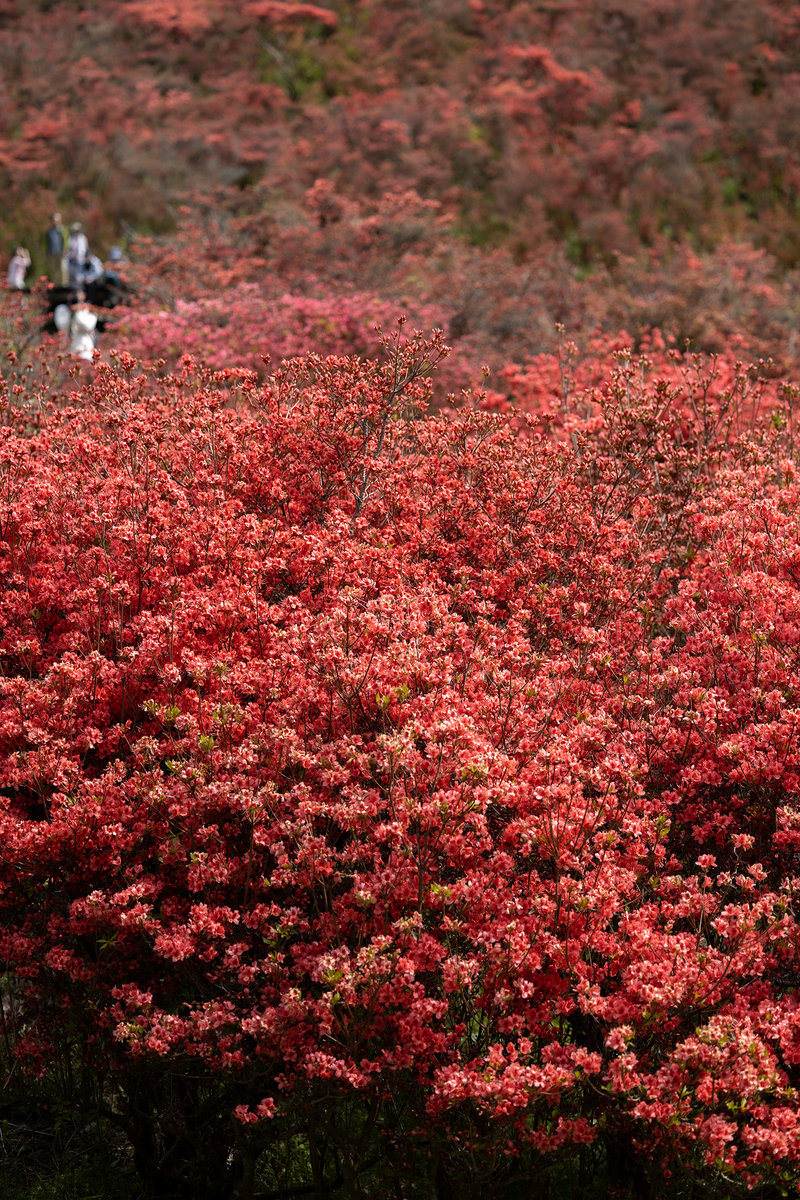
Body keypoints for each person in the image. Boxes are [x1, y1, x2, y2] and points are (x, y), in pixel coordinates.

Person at [68, 292, 97, 361]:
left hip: (86, 343)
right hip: (74, 343)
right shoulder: (70, 312)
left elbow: (88, 326)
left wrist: (77, 312)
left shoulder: (89, 312)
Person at [45, 213, 68, 285]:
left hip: (61, 253)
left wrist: (65, 249)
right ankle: (54, 285)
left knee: (63, 270)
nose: (55, 221)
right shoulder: (49, 231)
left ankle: (64, 285)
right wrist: (46, 252)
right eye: (53, 219)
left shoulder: (63, 229)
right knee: (53, 270)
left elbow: (66, 240)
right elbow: (46, 242)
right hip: (52, 252)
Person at [67, 222, 88, 289]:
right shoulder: (70, 238)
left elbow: (85, 248)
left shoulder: (83, 238)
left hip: (80, 259)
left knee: (79, 276)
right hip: (71, 259)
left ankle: (80, 290)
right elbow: (68, 248)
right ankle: (72, 290)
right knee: (71, 275)